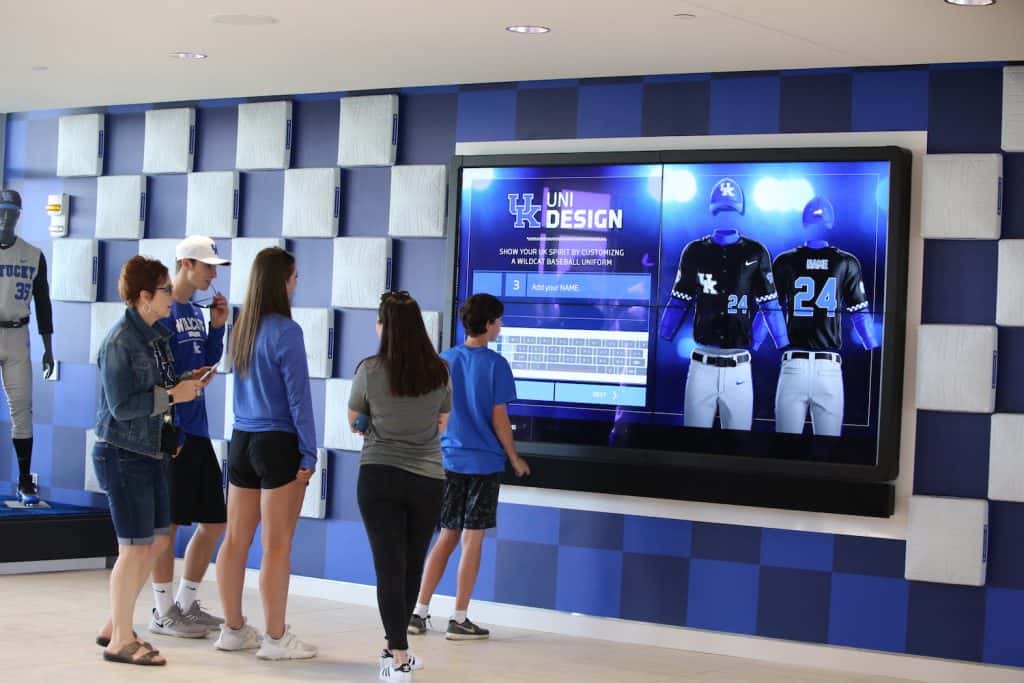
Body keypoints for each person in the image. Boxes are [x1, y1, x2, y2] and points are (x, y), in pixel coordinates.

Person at [92, 255, 211, 666]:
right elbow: (122, 407)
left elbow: (158, 388)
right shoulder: (119, 342)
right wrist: (173, 395)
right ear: (144, 296)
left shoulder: (156, 336)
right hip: (123, 454)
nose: (170, 297)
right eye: (164, 290)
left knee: (158, 541)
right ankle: (120, 640)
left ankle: (115, 624)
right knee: (133, 549)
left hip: (153, 451)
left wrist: (185, 384)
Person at [215, 247, 317, 660]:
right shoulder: (287, 332)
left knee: (235, 539)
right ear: (281, 281)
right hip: (278, 444)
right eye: (294, 276)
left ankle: (233, 629)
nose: (297, 282)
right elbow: (299, 400)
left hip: (241, 440)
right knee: (277, 545)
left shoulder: (241, 327)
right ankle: (276, 639)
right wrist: (309, 453)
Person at [410, 293, 530, 641]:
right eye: (499, 320)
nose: (501, 326)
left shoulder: (444, 360)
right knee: (471, 539)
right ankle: (459, 618)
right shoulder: (496, 365)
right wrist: (514, 457)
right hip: (483, 463)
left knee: (446, 535)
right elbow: (499, 420)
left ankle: (418, 612)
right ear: (489, 323)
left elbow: (433, 413)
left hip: (448, 460)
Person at [348, 290, 451, 683]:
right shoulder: (439, 371)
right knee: (410, 567)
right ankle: (396, 649)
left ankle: (398, 655)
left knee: (388, 567)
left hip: (379, 475)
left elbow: (355, 421)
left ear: (384, 327)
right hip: (427, 478)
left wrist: (371, 422)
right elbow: (442, 423)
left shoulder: (369, 369)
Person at [148, 236, 231, 638]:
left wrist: (216, 328)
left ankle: (185, 603)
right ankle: (163, 611)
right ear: (186, 264)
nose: (213, 274)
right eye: (207, 266)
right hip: (173, 431)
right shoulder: (164, 312)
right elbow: (159, 375)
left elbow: (205, 361)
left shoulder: (197, 312)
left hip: (198, 427)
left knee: (215, 521)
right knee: (168, 525)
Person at [0, 189, 56, 506]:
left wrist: (48, 347)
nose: (6, 218)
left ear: (18, 215)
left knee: (22, 409)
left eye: (11, 212)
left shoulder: (33, 255)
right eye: (1, 211)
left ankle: (24, 481)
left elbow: (43, 304)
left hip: (17, 335)